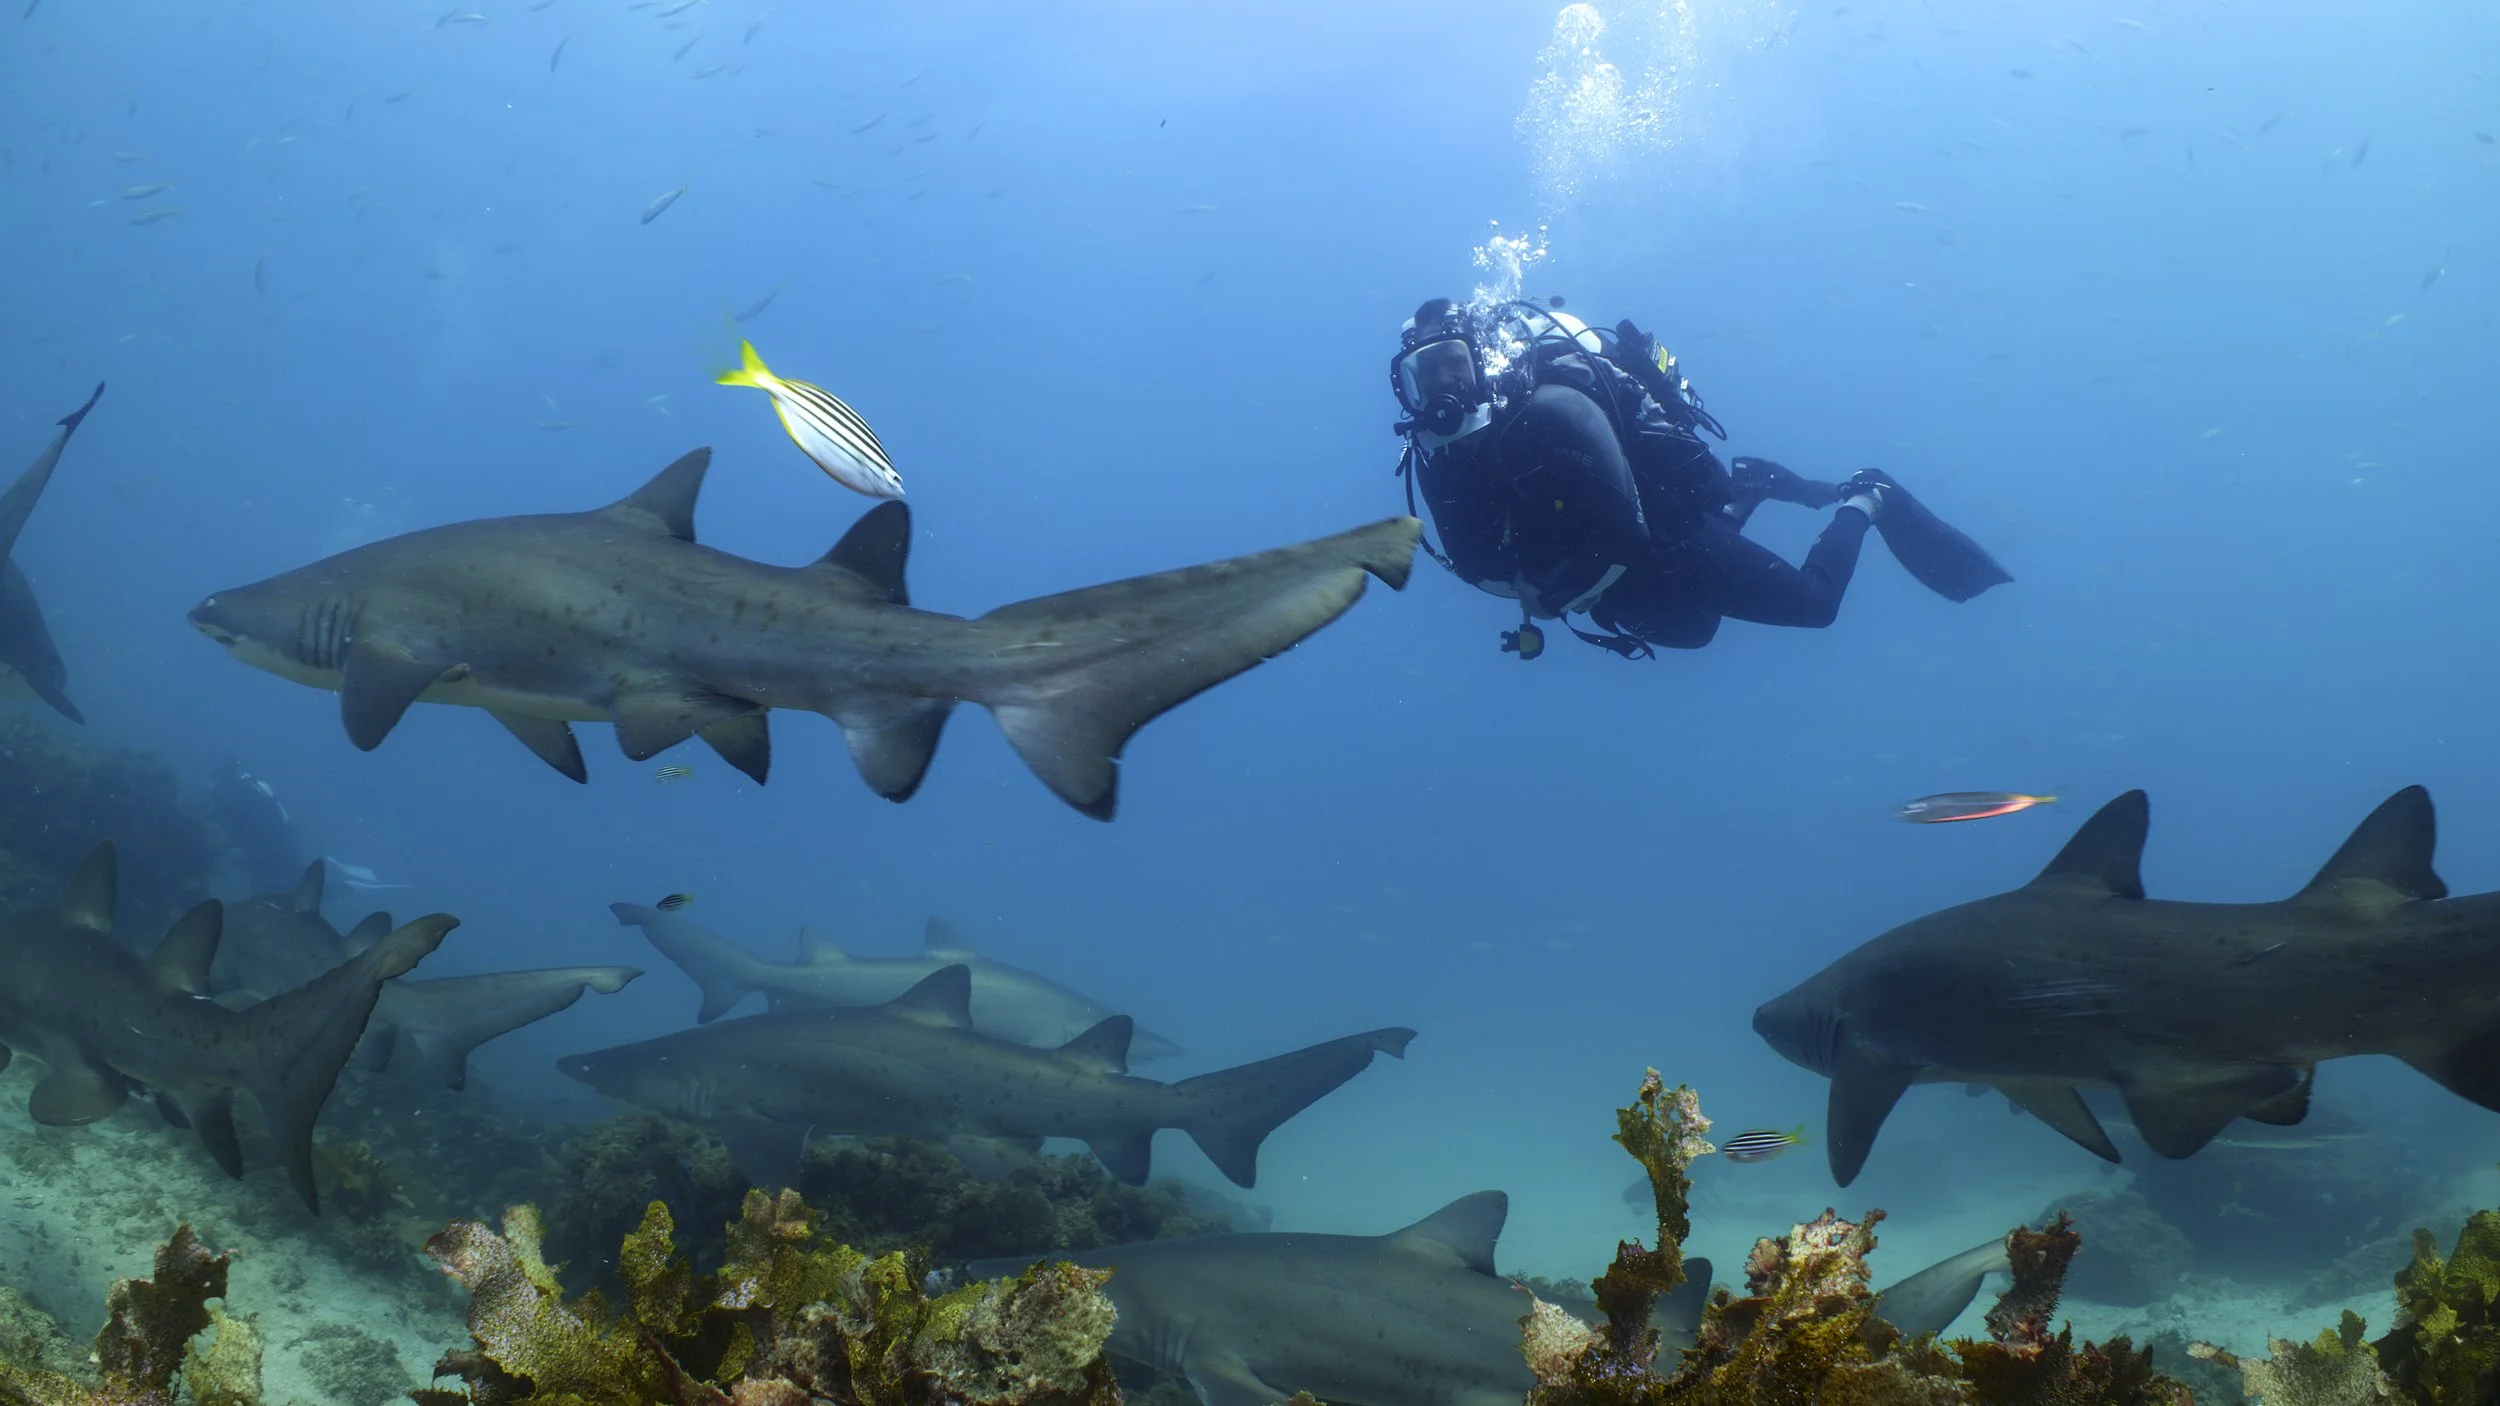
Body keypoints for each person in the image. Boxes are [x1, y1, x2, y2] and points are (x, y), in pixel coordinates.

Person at [1387, 297, 2009, 659]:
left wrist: (1548, 596)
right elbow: (1466, 558)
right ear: (1405, 385)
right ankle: (1751, 489)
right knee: (1697, 632)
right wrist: (1537, 589)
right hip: (1600, 579)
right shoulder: (1436, 457)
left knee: (1814, 607)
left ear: (1480, 365)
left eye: (1452, 365)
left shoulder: (1553, 409)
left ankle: (1869, 496)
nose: (1442, 386)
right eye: (1425, 374)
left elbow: (1626, 535)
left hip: (1663, 533)